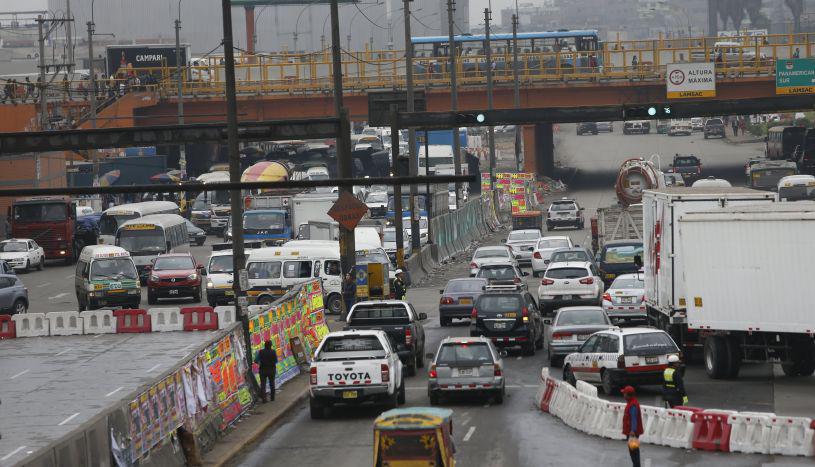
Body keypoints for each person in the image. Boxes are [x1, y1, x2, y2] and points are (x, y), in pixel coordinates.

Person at [621, 385, 643, 467]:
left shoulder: (633, 405)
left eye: (624, 394)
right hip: (631, 432)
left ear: (628, 395)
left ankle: (636, 465)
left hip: (632, 433)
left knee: (634, 451)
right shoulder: (631, 403)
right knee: (633, 450)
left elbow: (634, 419)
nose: (623, 395)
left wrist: (633, 431)